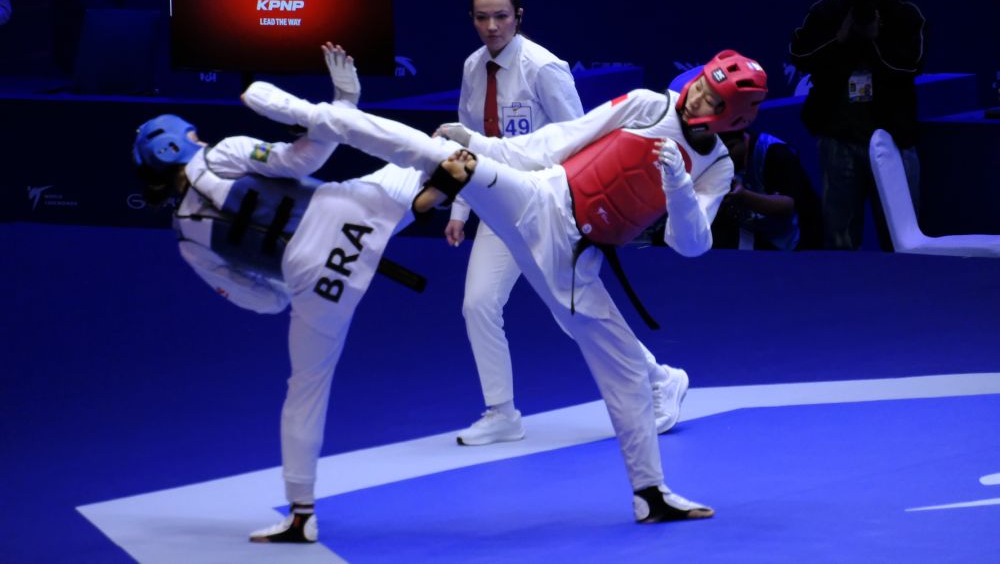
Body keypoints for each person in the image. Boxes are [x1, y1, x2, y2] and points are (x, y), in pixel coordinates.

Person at [240, 48, 768, 523]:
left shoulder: (715, 168)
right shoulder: (650, 104)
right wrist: (478, 142)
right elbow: (560, 139)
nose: (695, 91)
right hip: (538, 196)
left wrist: (677, 182)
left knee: (627, 371)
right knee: (441, 156)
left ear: (729, 117)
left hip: (574, 261)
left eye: (709, 95)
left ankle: (650, 495)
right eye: (701, 81)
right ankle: (306, 113)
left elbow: (690, 243)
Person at [133, 44, 438, 544]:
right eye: (191, 134)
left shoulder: (186, 240)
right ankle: (457, 193)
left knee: (305, 390)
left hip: (310, 281)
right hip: (344, 215)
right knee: (438, 154)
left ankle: (301, 513)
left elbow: (263, 301)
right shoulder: (224, 152)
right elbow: (306, 156)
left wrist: (303, 279)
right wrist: (343, 100)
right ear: (179, 143)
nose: (199, 136)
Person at [451, 0, 688, 445]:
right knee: (478, 304)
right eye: (483, 17)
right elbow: (465, 135)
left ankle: (660, 379)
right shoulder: (473, 68)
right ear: (473, 20)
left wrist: (580, 210)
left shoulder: (544, 68)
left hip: (547, 206)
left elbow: (578, 138)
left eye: (501, 16)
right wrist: (460, 207)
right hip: (496, 205)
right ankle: (501, 412)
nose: (492, 26)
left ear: (519, 16)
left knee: (574, 312)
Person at [789, 0, 926, 250]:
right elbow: (800, 55)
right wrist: (841, 37)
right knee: (839, 236)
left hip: (893, 140)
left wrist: (874, 38)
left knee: (902, 237)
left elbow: (910, 66)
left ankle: (904, 290)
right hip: (840, 138)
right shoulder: (831, 10)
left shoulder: (908, 17)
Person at [712, 129, 823, 250]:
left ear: (739, 141)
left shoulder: (775, 152)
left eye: (728, 149)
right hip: (755, 235)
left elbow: (787, 206)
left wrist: (744, 196)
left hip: (793, 242)